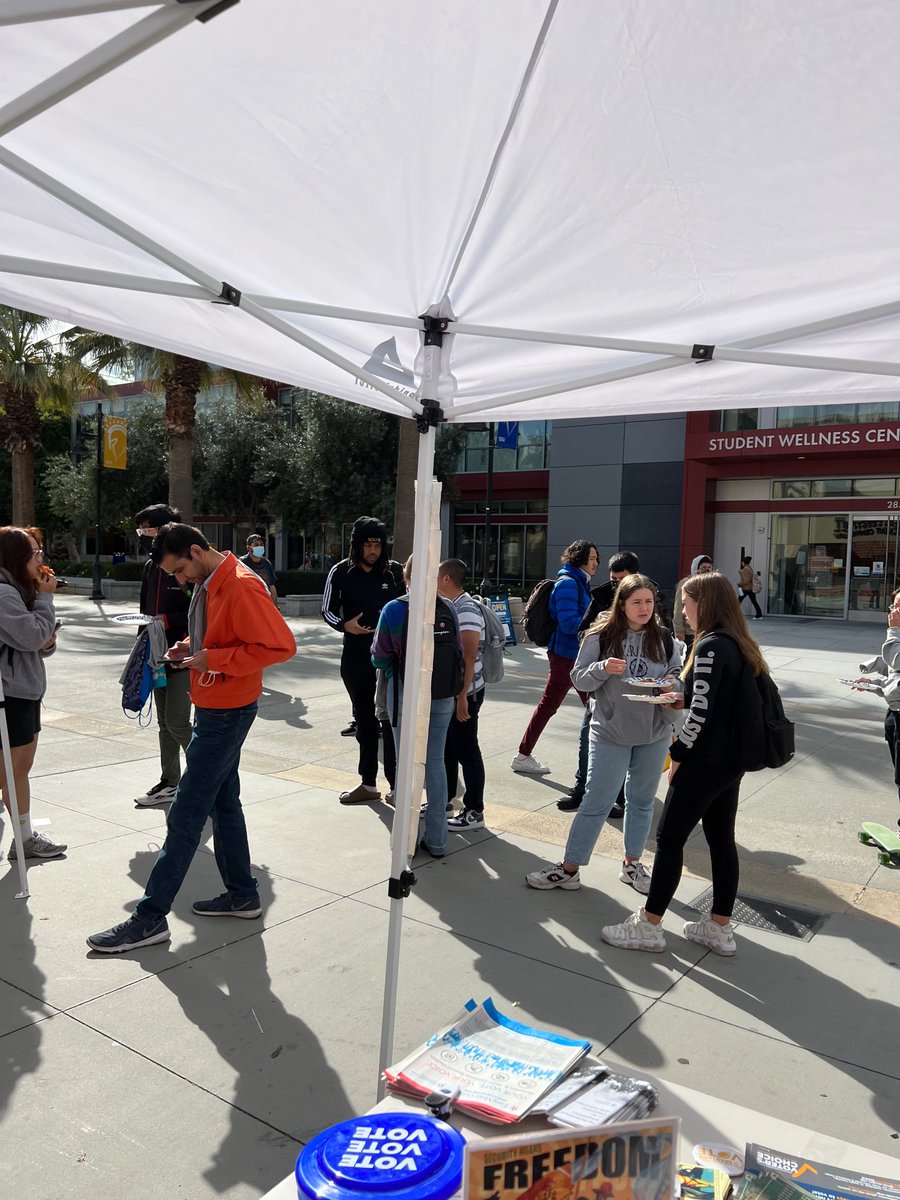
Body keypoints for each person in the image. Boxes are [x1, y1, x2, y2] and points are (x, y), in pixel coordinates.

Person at [87, 523, 297, 953]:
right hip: (217, 706)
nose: (180, 580)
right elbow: (216, 634)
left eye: (180, 570)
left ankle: (149, 919)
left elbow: (280, 646)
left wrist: (211, 658)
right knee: (224, 804)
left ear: (198, 551)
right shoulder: (212, 580)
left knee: (185, 814)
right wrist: (188, 647)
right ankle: (243, 894)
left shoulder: (240, 585)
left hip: (226, 712)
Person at [601, 570, 768, 957]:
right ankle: (719, 926)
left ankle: (649, 924)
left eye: (686, 604)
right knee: (721, 839)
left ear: (703, 604)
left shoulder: (710, 646)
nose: (683, 612)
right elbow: (713, 699)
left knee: (670, 839)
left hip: (706, 759)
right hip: (730, 761)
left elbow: (701, 715)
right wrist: (681, 697)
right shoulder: (738, 641)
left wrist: (677, 754)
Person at [525, 574, 681, 897]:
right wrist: (602, 668)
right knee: (596, 801)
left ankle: (632, 864)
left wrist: (671, 683)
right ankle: (569, 868)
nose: (644, 608)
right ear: (621, 604)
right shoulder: (600, 635)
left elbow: (676, 674)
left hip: (654, 732)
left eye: (649, 602)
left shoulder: (664, 637)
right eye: (637, 602)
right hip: (610, 731)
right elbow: (579, 678)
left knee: (641, 803)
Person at [561, 551, 669, 814]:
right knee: (588, 738)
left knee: (636, 767)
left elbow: (668, 647)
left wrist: (669, 683)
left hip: (643, 703)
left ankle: (619, 796)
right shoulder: (602, 599)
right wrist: (601, 645)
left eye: (622, 580)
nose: (617, 585)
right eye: (613, 580)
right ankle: (582, 788)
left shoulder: (651, 600)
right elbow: (583, 632)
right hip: (605, 691)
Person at [371, 557, 461, 858]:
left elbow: (379, 656)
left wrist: (396, 668)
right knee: (435, 762)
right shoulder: (447, 607)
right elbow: (458, 651)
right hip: (443, 694)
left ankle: (407, 840)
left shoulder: (394, 609)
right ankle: (437, 840)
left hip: (405, 693)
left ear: (406, 577)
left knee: (406, 763)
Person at [322, 516, 405, 804]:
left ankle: (397, 787)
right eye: (368, 545)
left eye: (378, 545)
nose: (373, 551)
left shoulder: (395, 571)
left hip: (391, 660)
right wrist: (345, 625)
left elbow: (410, 606)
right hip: (356, 655)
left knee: (391, 720)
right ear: (357, 545)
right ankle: (368, 784)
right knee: (365, 721)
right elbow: (327, 609)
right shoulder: (341, 571)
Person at [0, 526, 66, 861]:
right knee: (13, 773)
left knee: (16, 770)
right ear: (15, 557)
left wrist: (46, 639)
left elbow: (36, 642)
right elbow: (29, 637)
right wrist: (46, 598)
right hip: (10, 695)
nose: (40, 558)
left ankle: (23, 837)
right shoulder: (4, 594)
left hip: (23, 690)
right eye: (34, 552)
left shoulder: (17, 590)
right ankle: (24, 840)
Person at [511, 540, 598, 775]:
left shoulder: (578, 582)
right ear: (580, 559)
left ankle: (523, 755)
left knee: (586, 707)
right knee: (592, 708)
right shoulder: (569, 584)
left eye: (596, 559)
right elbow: (569, 623)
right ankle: (523, 755)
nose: (596, 564)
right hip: (567, 657)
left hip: (572, 656)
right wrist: (599, 624)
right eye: (592, 559)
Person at [133, 503, 193, 805]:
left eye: (148, 529)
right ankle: (170, 782)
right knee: (164, 723)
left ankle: (208, 776)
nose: (143, 535)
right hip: (156, 656)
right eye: (141, 530)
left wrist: (169, 620)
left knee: (178, 722)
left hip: (183, 656)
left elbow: (200, 614)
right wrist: (141, 649)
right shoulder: (149, 568)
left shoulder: (189, 567)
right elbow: (145, 612)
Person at [438, 558, 487, 832]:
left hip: (466, 692)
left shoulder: (466, 609)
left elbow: (468, 657)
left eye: (436, 577)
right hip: (456, 691)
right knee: (448, 748)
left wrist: (462, 697)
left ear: (446, 579)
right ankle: (444, 801)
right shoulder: (452, 605)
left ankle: (474, 810)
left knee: (467, 750)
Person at [855, 588, 900, 833]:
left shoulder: (896, 632)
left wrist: (894, 631)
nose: (894, 612)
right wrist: (873, 683)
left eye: (899, 607)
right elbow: (895, 672)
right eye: (894, 606)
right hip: (894, 712)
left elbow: (897, 660)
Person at [672, 554, 714, 649]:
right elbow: (678, 608)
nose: (707, 570)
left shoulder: (710, 585)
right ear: (696, 567)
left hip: (705, 631)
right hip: (688, 632)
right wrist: (679, 630)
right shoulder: (686, 583)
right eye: (703, 568)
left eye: (709, 568)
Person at [239, 533, 278, 603]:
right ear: (248, 547)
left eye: (261, 544)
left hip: (265, 602)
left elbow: (272, 586)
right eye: (256, 545)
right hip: (249, 603)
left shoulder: (267, 563)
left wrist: (275, 606)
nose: (259, 547)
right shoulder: (242, 563)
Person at [737, 556, 763, 620]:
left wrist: (739, 584)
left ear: (743, 562)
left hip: (745, 589)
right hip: (750, 588)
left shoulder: (745, 569)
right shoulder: (749, 568)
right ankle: (759, 614)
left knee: (737, 601)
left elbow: (746, 580)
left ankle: (733, 614)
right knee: (754, 601)